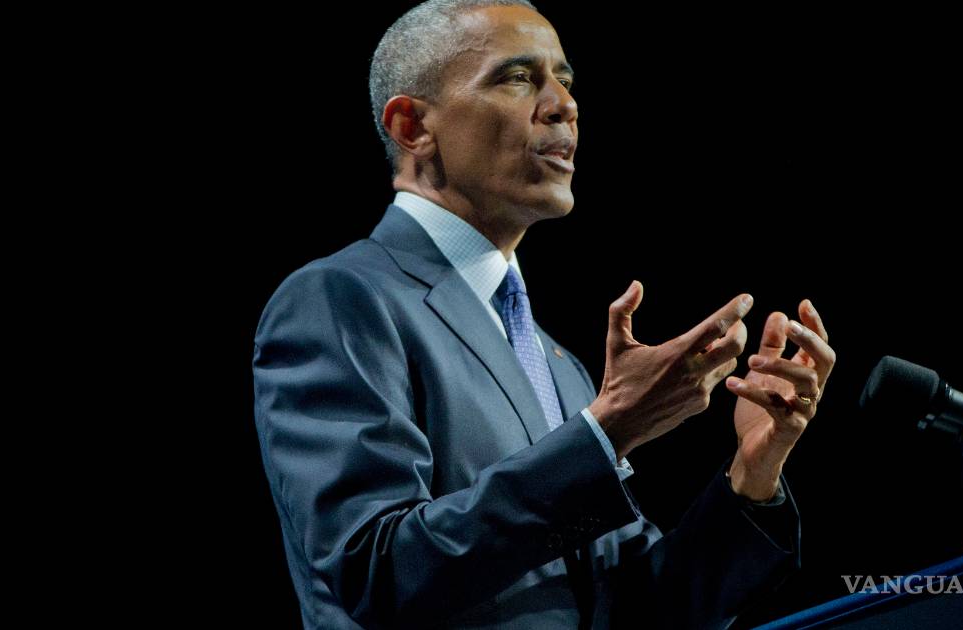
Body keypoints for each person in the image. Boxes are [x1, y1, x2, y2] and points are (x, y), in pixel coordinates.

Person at [251, 1, 836, 627]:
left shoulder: (557, 364)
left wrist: (751, 472)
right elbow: (374, 570)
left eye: (565, 80)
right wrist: (607, 432)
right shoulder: (340, 299)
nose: (564, 104)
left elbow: (641, 613)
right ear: (413, 127)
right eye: (517, 77)